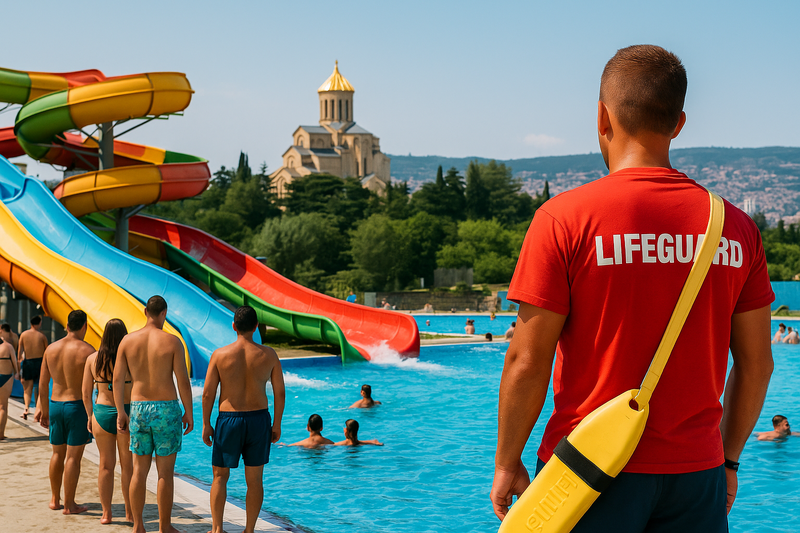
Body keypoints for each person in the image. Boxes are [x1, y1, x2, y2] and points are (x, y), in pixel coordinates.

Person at [492, 45, 774, 532]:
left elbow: (526, 358)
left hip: (590, 470)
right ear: (679, 122)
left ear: (603, 116)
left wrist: (507, 460)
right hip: (697, 475)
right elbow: (756, 363)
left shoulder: (564, 219)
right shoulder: (736, 229)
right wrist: (727, 461)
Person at [202, 305, 285, 533]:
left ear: (233, 326)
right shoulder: (269, 355)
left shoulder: (220, 355)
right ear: (256, 327)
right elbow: (279, 392)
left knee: (219, 476)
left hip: (228, 420)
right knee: (255, 479)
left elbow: (208, 393)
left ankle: (217, 529)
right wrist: (276, 423)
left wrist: (206, 424)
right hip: (259, 420)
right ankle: (249, 530)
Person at [114, 296, 193, 533]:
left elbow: (117, 380)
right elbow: (183, 381)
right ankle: (164, 526)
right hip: (167, 409)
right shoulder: (172, 342)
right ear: (164, 313)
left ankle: (138, 525)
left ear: (145, 311)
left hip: (138, 408)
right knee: (165, 473)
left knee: (139, 470)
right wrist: (189, 412)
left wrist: (121, 411)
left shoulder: (128, 341)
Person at [36, 310, 94, 514]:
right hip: (76, 406)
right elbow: (90, 389)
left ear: (67, 326)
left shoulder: (51, 349)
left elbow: (43, 384)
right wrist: (91, 414)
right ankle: (69, 504)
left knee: (57, 454)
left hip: (55, 405)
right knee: (73, 458)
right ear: (84, 326)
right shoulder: (88, 351)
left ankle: (54, 499)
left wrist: (43, 409)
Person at [81, 319, 133, 524]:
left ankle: (106, 513)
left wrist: (89, 416)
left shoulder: (92, 359)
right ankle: (130, 512)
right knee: (127, 466)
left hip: (101, 413)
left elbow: (86, 393)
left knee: (105, 466)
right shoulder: (129, 358)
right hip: (126, 413)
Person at [19, 315, 49, 420]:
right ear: (39, 323)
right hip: (40, 363)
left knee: (27, 389)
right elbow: (47, 351)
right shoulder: (42, 336)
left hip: (28, 362)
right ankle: (38, 408)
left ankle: (26, 408)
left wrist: (20, 366)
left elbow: (20, 351)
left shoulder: (23, 334)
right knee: (40, 388)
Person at [0, 335, 19, 440]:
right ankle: (1, 434)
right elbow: (14, 361)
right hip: (5, 376)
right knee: (3, 406)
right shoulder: (8, 346)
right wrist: (17, 373)